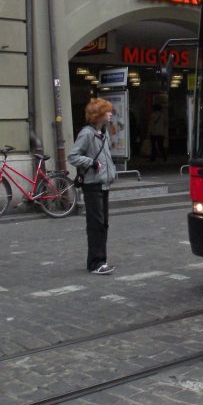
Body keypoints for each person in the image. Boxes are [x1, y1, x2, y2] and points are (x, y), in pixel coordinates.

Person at [69, 98, 117, 275]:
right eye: (107, 111)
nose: (110, 113)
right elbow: (73, 156)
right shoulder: (87, 134)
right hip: (92, 185)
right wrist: (91, 162)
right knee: (95, 224)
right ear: (98, 115)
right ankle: (95, 263)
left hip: (104, 184)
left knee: (103, 224)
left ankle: (100, 260)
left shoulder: (103, 133)